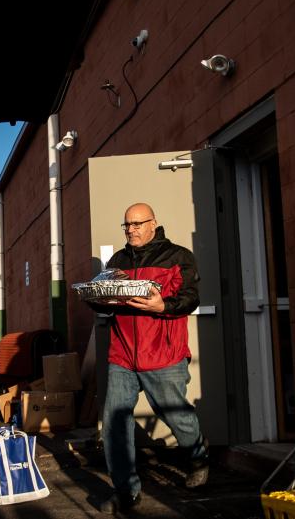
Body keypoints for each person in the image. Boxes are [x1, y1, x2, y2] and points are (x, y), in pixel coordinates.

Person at [87, 203, 209, 514]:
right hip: (123, 355)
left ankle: (197, 458)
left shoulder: (178, 256)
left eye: (137, 224)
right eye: (126, 225)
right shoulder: (117, 260)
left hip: (164, 353)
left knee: (176, 415)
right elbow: (106, 300)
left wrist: (161, 306)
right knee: (114, 422)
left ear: (153, 223)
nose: (131, 230)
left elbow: (191, 297)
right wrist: (98, 299)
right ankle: (126, 491)